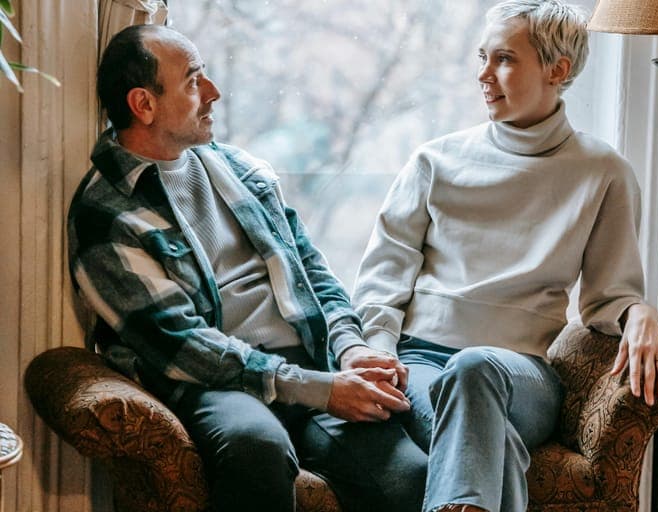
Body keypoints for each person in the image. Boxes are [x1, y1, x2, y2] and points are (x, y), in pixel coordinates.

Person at [67, 24, 426, 512]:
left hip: (309, 362)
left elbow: (314, 273)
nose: (213, 92)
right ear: (143, 104)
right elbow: (181, 343)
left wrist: (351, 347)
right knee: (254, 447)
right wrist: (318, 389)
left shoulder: (240, 170)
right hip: (215, 383)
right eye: (194, 81)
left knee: (410, 477)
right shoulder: (107, 213)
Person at [351, 1, 658, 511]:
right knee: (488, 431)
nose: (483, 75)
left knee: (475, 366)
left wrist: (640, 310)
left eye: (504, 59)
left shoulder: (603, 172)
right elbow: (383, 278)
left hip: (522, 375)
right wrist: (377, 350)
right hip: (419, 362)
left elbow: (607, 296)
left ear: (558, 70)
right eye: (482, 57)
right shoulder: (434, 161)